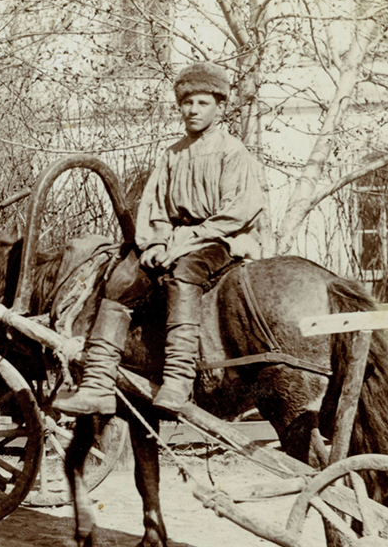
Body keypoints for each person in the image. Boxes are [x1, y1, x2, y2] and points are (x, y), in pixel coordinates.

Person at [56, 61, 266, 416]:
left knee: (185, 273)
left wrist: (188, 240)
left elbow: (239, 210)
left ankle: (179, 379)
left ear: (219, 106)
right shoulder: (172, 155)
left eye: (202, 103)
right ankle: (98, 383)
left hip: (224, 239)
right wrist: (154, 244)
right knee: (123, 278)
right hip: (173, 240)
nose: (193, 110)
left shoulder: (233, 152)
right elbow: (155, 208)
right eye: (187, 103)